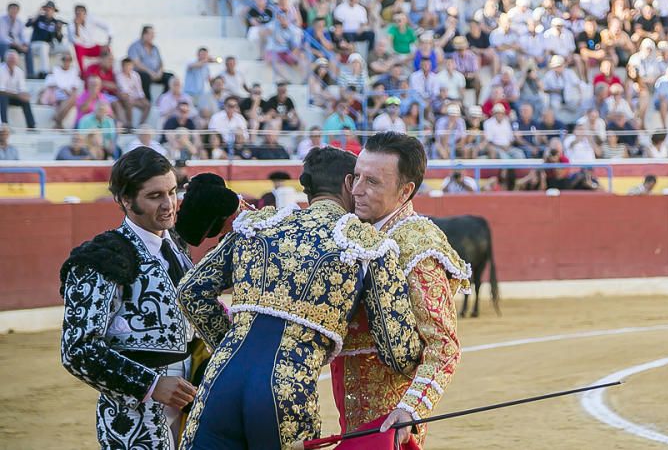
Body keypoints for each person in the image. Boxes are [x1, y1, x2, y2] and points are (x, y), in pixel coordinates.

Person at [177, 148, 421, 449]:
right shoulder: (366, 244)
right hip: (287, 386)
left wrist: (233, 341)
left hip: (221, 377)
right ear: (348, 184)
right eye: (358, 180)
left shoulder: (259, 225)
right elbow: (399, 352)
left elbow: (191, 291)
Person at [332, 132, 471, 450]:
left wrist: (411, 409)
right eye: (357, 177)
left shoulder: (417, 244)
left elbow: (444, 346)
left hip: (390, 418)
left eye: (373, 182)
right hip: (351, 407)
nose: (357, 190)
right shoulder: (356, 229)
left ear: (405, 191)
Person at [59, 148, 197, 450]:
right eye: (154, 196)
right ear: (125, 200)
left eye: (172, 192)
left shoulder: (175, 245)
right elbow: (78, 349)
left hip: (189, 403)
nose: (168, 205)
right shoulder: (102, 257)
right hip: (132, 412)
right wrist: (150, 385)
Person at [128, 26, 174, 100]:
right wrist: (150, 72)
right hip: (142, 73)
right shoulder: (135, 46)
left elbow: (160, 62)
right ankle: (148, 100)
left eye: (153, 34)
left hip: (155, 73)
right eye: (151, 34)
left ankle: (162, 100)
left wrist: (159, 72)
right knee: (145, 76)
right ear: (144, 35)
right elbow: (136, 63)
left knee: (170, 77)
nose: (153, 36)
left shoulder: (155, 47)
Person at [0, 50, 35, 129]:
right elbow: (1, 91)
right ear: (6, 59)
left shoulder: (19, 72)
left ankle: (31, 126)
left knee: (25, 101)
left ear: (17, 61)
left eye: (14, 59)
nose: (12, 61)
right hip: (3, 96)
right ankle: (4, 125)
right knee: (3, 98)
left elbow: (22, 89)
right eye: (10, 59)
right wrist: (18, 95)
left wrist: (26, 95)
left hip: (13, 96)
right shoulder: (1, 69)